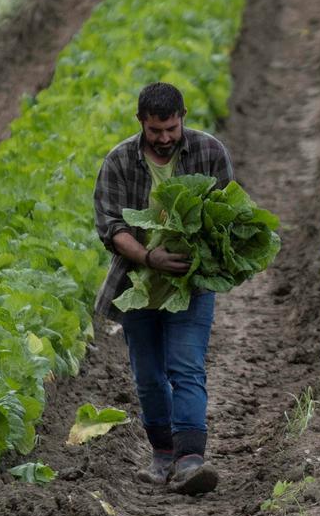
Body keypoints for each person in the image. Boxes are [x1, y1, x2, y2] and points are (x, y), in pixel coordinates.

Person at [93, 82, 234, 495]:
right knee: (150, 376)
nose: (165, 138)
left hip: (190, 284)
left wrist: (202, 255)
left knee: (186, 366)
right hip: (137, 283)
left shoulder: (210, 153)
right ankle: (162, 455)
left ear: (182, 118)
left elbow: (228, 217)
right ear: (141, 123)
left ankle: (192, 460)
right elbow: (111, 226)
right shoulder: (119, 161)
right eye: (155, 130)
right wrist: (149, 257)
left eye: (171, 128)